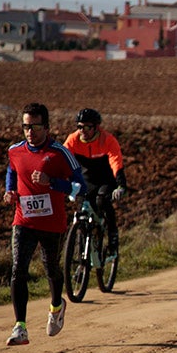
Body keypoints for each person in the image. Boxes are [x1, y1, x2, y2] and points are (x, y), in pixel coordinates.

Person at [4, 102, 87, 346]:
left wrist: (53, 182)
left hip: (52, 223)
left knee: (51, 269)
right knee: (18, 269)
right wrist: (9, 190)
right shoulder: (15, 151)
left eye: (36, 127)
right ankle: (20, 326)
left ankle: (56, 306)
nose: (30, 132)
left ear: (47, 127)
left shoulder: (60, 153)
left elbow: (80, 186)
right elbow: (12, 170)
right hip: (24, 220)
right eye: (26, 127)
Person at [63, 108, 128, 255]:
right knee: (81, 212)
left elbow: (116, 162)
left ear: (96, 127)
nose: (83, 131)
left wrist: (121, 185)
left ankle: (112, 237)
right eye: (79, 127)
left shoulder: (107, 140)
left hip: (106, 179)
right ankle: (81, 258)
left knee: (102, 201)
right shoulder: (73, 140)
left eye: (87, 127)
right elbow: (62, 161)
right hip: (86, 180)